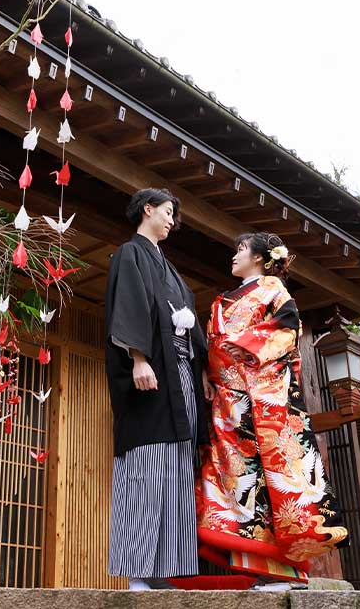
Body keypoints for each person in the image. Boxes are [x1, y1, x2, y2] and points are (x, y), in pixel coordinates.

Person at [196, 232, 348, 589]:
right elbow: (212, 345)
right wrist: (206, 370)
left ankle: (283, 568)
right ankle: (250, 566)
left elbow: (285, 331)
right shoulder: (223, 301)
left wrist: (243, 349)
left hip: (262, 399)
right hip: (226, 402)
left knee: (269, 478)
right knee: (235, 477)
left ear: (261, 258)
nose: (234, 256)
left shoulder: (274, 291)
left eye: (240, 250)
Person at [104, 187, 212, 590]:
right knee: (145, 466)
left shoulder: (170, 269)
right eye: (167, 212)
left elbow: (190, 325)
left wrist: (200, 371)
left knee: (176, 468)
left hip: (179, 375)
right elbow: (129, 307)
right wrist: (138, 357)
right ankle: (138, 571)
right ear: (147, 210)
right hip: (149, 374)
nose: (171, 221)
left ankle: (163, 568)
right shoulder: (130, 254)